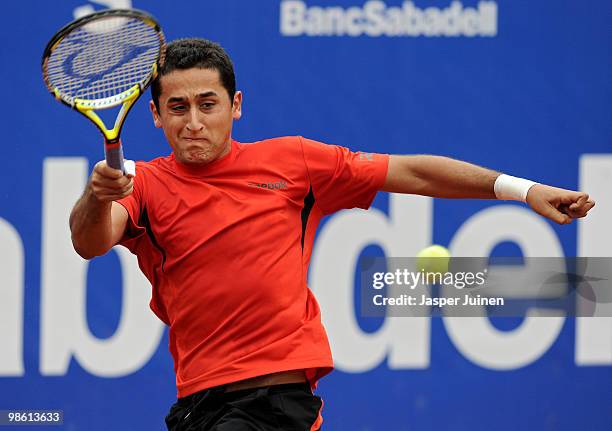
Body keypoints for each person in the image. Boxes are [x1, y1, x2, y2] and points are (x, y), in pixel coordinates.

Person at [69, 38, 595, 431]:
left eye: (208, 104)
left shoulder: (292, 161)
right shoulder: (142, 183)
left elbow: (410, 172)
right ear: (156, 115)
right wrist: (98, 195)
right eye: (178, 108)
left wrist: (522, 190)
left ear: (236, 106)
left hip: (275, 400)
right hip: (197, 403)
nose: (193, 121)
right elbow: (90, 241)